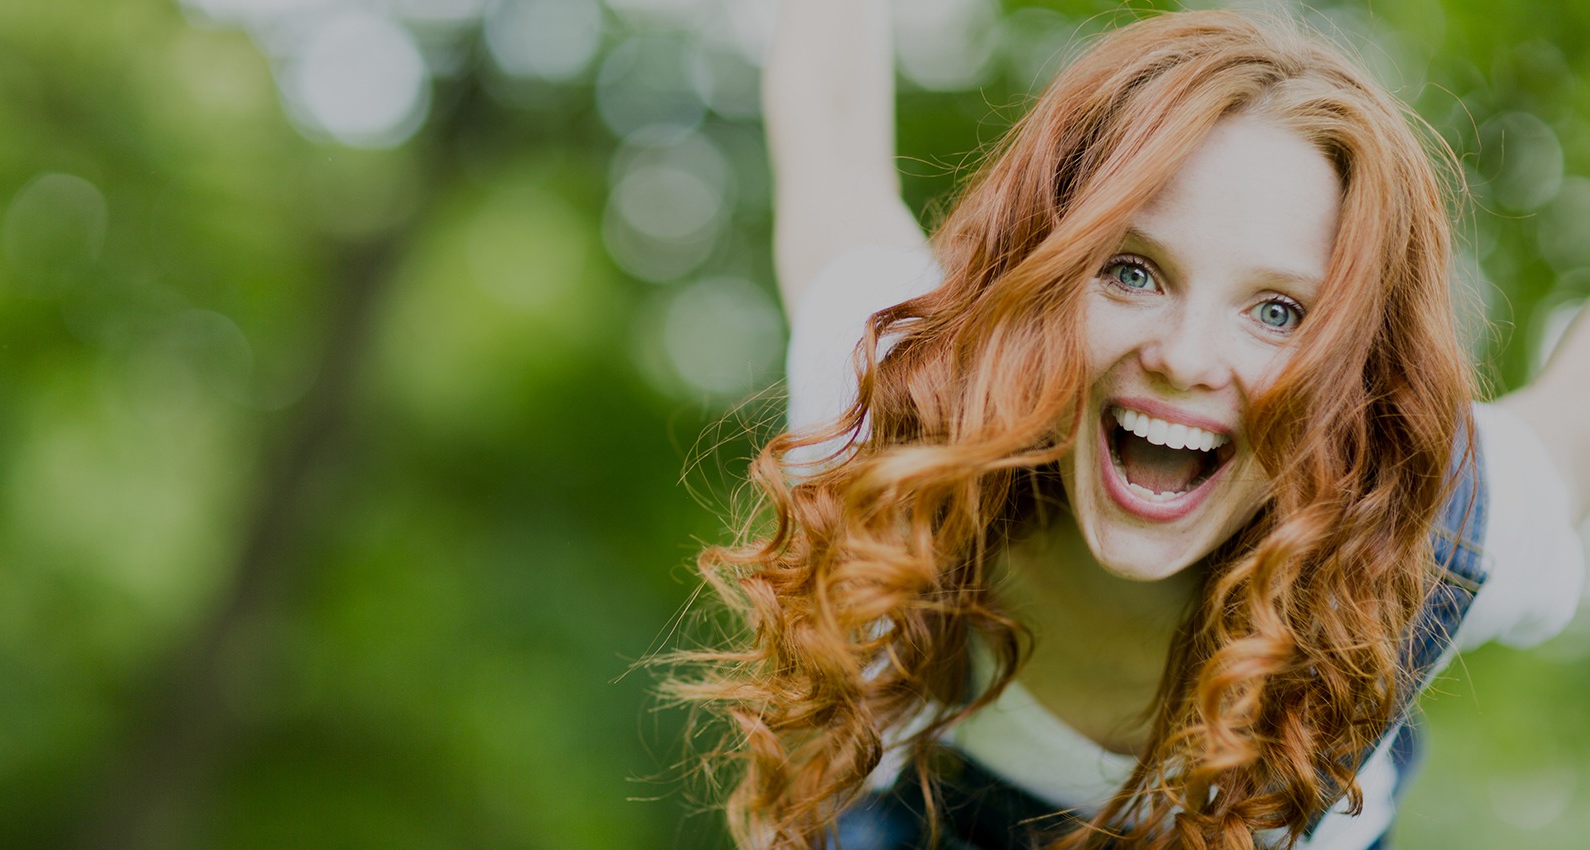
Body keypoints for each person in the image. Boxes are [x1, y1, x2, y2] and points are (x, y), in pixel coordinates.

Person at [668, 5, 1588, 849]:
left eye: (1277, 312)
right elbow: (827, 129)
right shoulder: (908, 393)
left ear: (1356, 382)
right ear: (1040, 284)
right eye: (1134, 272)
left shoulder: (1433, 521)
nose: (1186, 359)